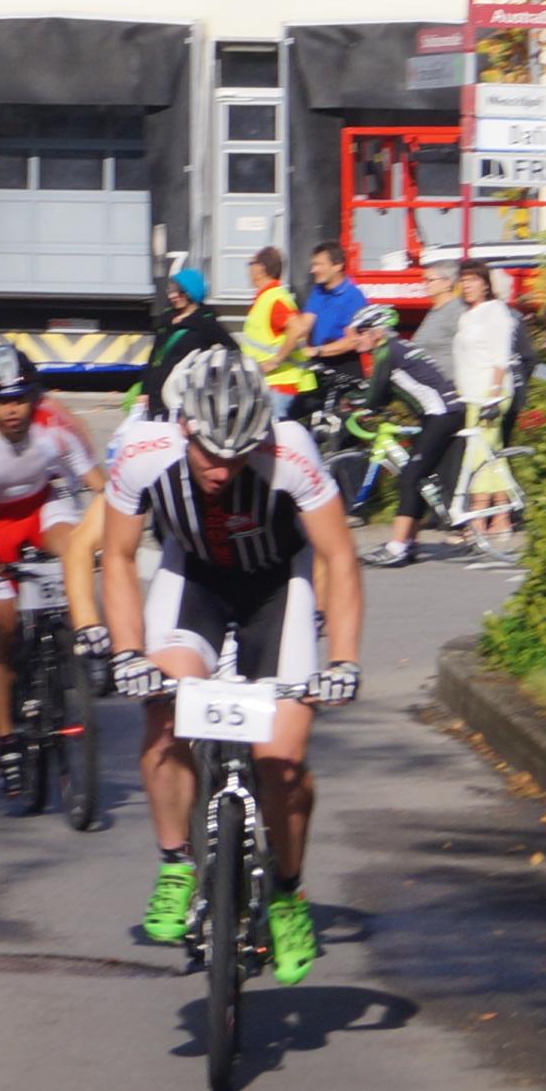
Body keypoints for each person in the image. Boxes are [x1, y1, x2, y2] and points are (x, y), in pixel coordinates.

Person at [101, 346, 364, 986]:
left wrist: (344, 661)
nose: (221, 470)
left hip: (279, 587)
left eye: (237, 456)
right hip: (194, 581)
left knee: (282, 762)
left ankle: (288, 894)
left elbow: (339, 557)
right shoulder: (142, 451)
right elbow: (118, 556)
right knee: (164, 716)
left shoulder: (291, 450)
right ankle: (175, 864)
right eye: (209, 454)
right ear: (183, 427)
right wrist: (127, 652)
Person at [0, 343, 110, 797]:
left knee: (74, 552)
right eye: (1, 400)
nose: (11, 410)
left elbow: (103, 488)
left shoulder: (54, 427)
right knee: (1, 627)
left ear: (32, 397)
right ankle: (7, 741)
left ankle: (81, 639)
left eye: (19, 399)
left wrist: (103, 543)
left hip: (41, 507)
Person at [336, 303, 465, 567]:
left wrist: (351, 403)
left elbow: (376, 395)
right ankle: (409, 543)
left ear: (375, 332)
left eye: (359, 332)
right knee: (417, 479)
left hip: (442, 414)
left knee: (409, 478)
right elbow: (386, 394)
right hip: (443, 413)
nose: (355, 338)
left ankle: (396, 547)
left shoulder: (387, 351)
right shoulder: (397, 347)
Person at [133, 262, 243, 420]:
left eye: (178, 291)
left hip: (185, 399)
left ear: (191, 292)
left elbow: (233, 350)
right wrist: (144, 392)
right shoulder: (166, 319)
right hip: (156, 396)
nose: (172, 296)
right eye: (170, 291)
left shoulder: (206, 322)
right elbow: (154, 358)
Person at [299, 241, 375, 412]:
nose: (313, 270)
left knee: (340, 419)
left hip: (344, 368)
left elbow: (353, 341)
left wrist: (316, 351)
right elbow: (306, 322)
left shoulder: (353, 297)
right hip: (319, 366)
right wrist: (299, 343)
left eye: (319, 264)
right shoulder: (318, 291)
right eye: (313, 265)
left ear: (337, 265)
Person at [236, 248, 315, 410]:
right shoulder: (268, 297)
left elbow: (298, 328)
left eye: (250, 264)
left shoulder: (274, 299)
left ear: (261, 268)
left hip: (280, 386)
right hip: (272, 384)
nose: (248, 269)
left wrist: (276, 361)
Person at [449, 260, 523, 422]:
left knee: (481, 439)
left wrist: (493, 397)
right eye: (463, 280)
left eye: (473, 280)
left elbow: (501, 358)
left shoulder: (494, 310)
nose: (467, 285)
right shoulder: (466, 316)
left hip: (486, 395)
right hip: (467, 395)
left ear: (486, 285)